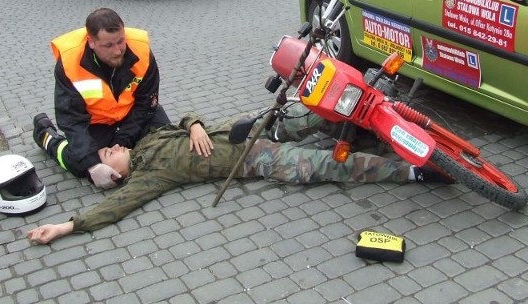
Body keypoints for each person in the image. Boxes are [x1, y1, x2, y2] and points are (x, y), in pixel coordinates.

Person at [26, 105, 454, 245]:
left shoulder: (147, 140)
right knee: (322, 166)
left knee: (319, 118)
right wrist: (67, 226)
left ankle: (388, 123)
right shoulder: (147, 177)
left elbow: (185, 116)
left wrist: (192, 125)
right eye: (107, 154)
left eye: (109, 146)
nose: (112, 148)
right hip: (253, 160)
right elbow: (116, 207)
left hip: (254, 126)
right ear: (115, 174)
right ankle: (414, 173)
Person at [32, 8, 172, 190]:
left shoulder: (142, 52)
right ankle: (47, 136)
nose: (117, 51)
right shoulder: (70, 64)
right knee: (81, 163)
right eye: (108, 46)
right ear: (91, 42)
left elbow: (146, 103)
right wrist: (92, 164)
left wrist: (122, 141)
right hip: (96, 123)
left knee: (167, 143)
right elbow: (71, 119)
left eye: (121, 41)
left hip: (137, 115)